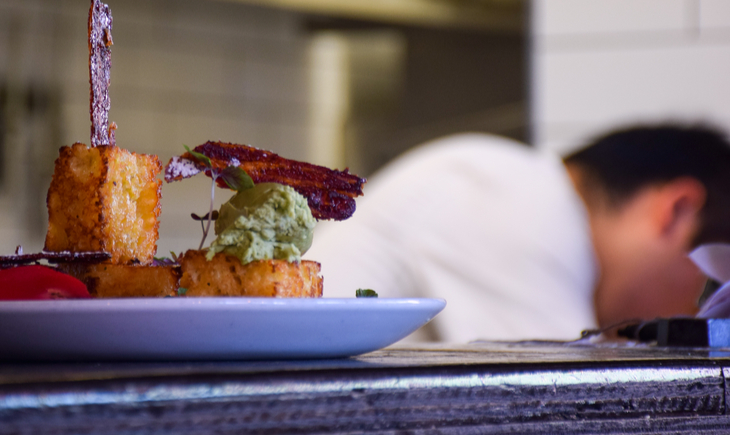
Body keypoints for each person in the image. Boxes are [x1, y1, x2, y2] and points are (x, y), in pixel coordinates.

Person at [307, 124, 730, 343]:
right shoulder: (518, 194)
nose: (698, 315)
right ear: (677, 210)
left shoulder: (517, 187)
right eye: (710, 286)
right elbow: (563, 411)